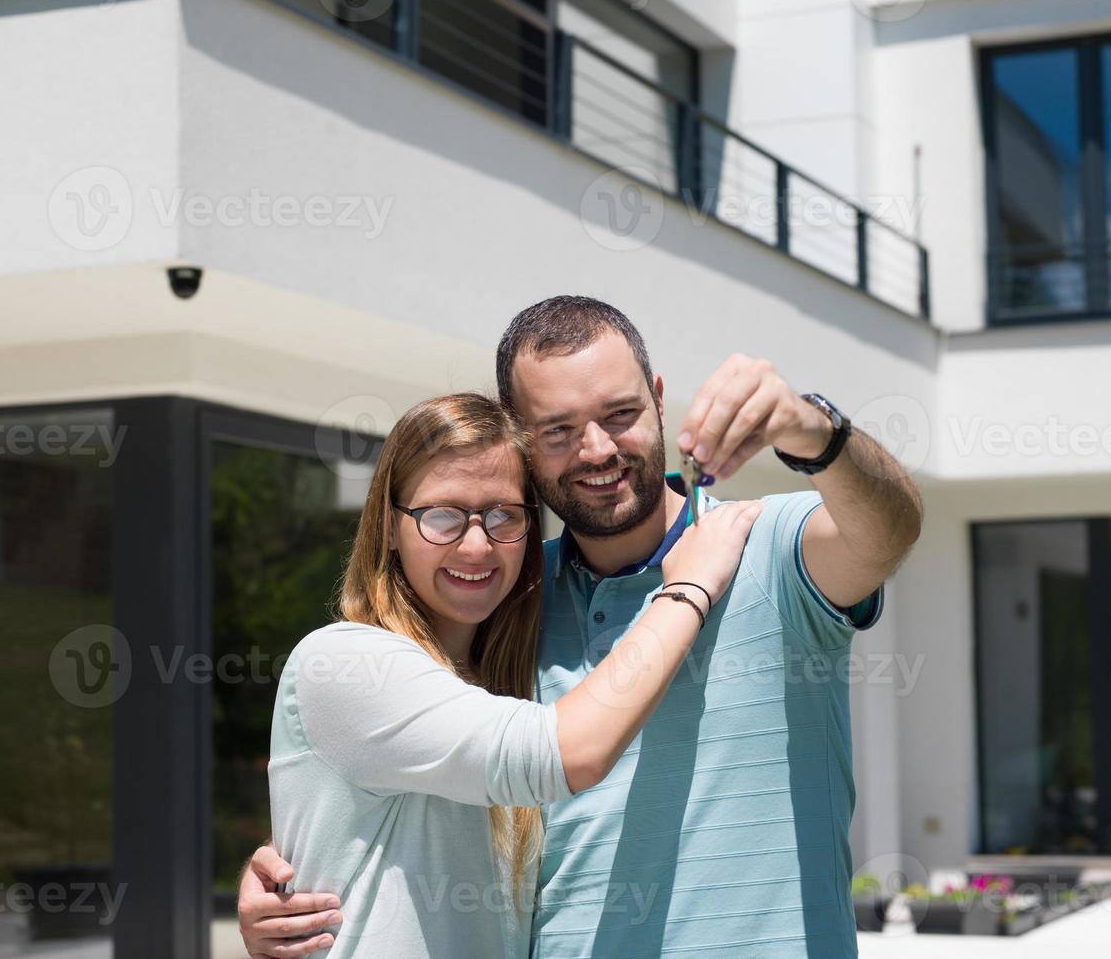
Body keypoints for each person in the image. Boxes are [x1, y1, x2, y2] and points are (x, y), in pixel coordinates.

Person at [241, 297, 923, 958]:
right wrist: (311, 863)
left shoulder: (762, 543)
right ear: (520, 440)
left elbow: (889, 529)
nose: (597, 450)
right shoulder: (505, 598)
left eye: (620, 414)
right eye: (558, 430)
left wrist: (816, 434)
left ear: (658, 399)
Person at [264, 390, 761, 958]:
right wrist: (688, 588)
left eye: (503, 515)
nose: (476, 545)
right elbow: (570, 752)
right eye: (443, 516)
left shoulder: (504, 681)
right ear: (389, 526)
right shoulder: (346, 664)